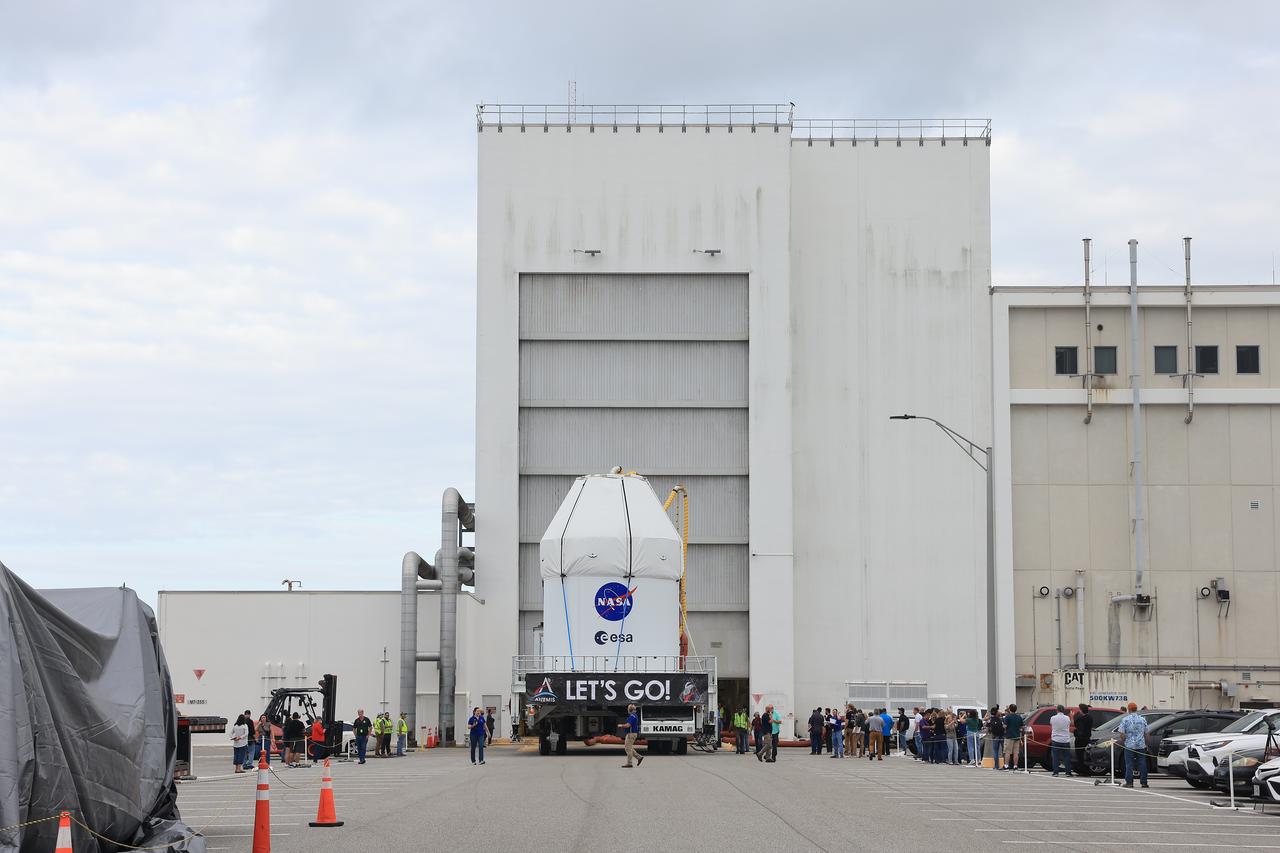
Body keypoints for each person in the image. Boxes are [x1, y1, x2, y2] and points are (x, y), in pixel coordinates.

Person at [1117, 702, 1149, 788]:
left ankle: (1129, 782)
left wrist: (1125, 740)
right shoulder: (1142, 719)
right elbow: (1146, 733)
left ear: (1129, 709)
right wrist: (1146, 744)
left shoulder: (1125, 719)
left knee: (1129, 764)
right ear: (1136, 709)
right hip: (1141, 745)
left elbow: (1121, 733)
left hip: (1129, 745)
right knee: (1142, 763)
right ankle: (1144, 782)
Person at [1049, 704, 1073, 777]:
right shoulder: (1067, 718)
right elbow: (1071, 724)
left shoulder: (1053, 718)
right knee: (1067, 757)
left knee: (1056, 757)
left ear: (1057, 710)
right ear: (1063, 710)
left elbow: (1051, 725)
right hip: (1065, 739)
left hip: (1056, 739)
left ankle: (1056, 772)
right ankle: (1068, 772)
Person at [618, 702, 643, 768]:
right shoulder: (635, 715)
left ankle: (629, 763)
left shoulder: (632, 716)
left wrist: (621, 725)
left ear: (629, 710)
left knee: (627, 748)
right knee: (629, 747)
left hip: (631, 734)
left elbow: (628, 725)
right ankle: (639, 757)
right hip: (632, 733)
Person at [1073, 704, 1094, 776]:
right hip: (1087, 738)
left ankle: (1082, 771)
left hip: (1080, 739)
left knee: (1080, 755)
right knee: (1085, 755)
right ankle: (1086, 770)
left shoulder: (1081, 719)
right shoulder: (1090, 718)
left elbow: (1079, 729)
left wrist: (1075, 732)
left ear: (1081, 710)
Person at [1003, 704, 1024, 770]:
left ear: (1009, 709)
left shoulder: (1007, 717)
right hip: (1017, 737)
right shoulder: (1019, 717)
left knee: (1007, 752)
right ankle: (1015, 766)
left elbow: (1005, 726)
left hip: (1009, 737)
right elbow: (1021, 727)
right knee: (1016, 753)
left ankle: (1006, 765)